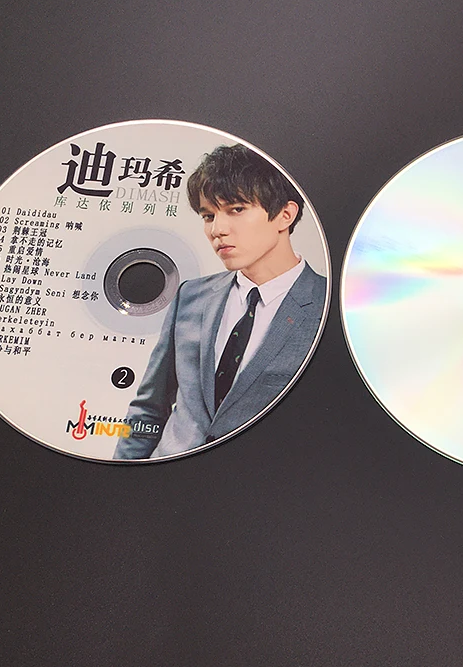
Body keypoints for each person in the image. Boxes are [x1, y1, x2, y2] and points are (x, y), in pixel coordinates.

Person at [114, 144, 326, 459]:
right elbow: (148, 409)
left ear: (285, 215)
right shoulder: (190, 296)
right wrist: (123, 474)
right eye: (208, 216)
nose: (217, 230)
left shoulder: (329, 307)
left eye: (236, 209)